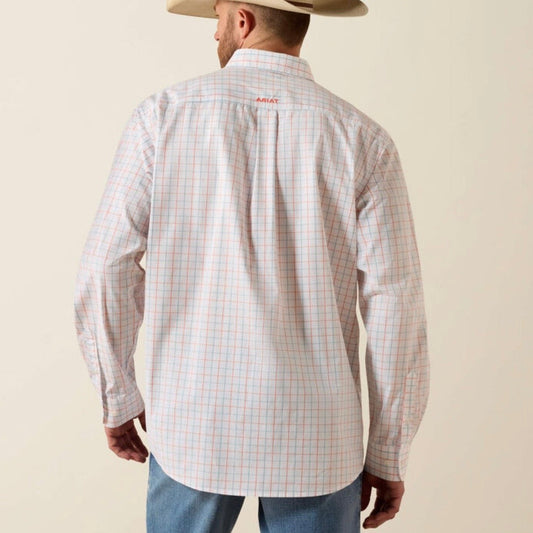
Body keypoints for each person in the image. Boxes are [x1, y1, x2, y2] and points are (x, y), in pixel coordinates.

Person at [73, 0, 430, 531]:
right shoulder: (363, 139)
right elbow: (396, 305)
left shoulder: (163, 117)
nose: (214, 32)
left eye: (216, 16)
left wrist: (117, 393)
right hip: (317, 437)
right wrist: (388, 450)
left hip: (194, 425)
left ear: (242, 21)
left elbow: (105, 267)